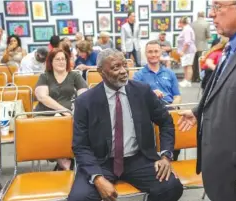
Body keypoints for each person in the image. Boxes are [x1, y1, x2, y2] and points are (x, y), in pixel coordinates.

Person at [178, 1, 236, 201]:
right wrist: (199, 110)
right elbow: (233, 87)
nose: (212, 14)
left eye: (218, 7)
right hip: (226, 174)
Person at [68, 48, 183, 201]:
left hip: (138, 158)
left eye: (125, 65)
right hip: (100, 161)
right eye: (116, 67)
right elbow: (80, 146)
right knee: (79, 198)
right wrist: (97, 178)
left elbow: (166, 122)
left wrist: (166, 156)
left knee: (171, 187)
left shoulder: (142, 91)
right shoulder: (85, 102)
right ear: (101, 71)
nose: (123, 71)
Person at [35, 48, 87, 169]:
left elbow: (84, 94)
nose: (61, 62)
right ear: (51, 62)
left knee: (80, 125)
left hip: (70, 114)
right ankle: (62, 160)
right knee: (51, 128)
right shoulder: (45, 76)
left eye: (63, 59)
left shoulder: (74, 75)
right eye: (57, 59)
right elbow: (42, 97)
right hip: (46, 113)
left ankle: (67, 158)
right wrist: (63, 111)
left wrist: (76, 109)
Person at [133, 40, 181, 105]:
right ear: (145, 53)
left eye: (156, 51)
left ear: (161, 52)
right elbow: (136, 98)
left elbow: (177, 96)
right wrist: (151, 94)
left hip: (168, 108)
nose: (153, 55)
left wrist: (173, 107)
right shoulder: (138, 75)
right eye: (150, 52)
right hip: (149, 110)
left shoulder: (170, 73)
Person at [191, 11, 211, 82]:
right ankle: (200, 78)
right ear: (204, 15)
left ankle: (193, 78)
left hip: (193, 47)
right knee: (201, 63)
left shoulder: (192, 24)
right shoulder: (206, 24)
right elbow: (208, 36)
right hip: (202, 46)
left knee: (194, 64)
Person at [177, 17, 197, 88]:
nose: (178, 24)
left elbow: (187, 42)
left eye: (178, 22)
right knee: (186, 66)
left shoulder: (187, 29)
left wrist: (183, 51)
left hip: (188, 51)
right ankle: (185, 80)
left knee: (188, 65)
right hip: (186, 51)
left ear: (181, 22)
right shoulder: (186, 29)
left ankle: (187, 81)